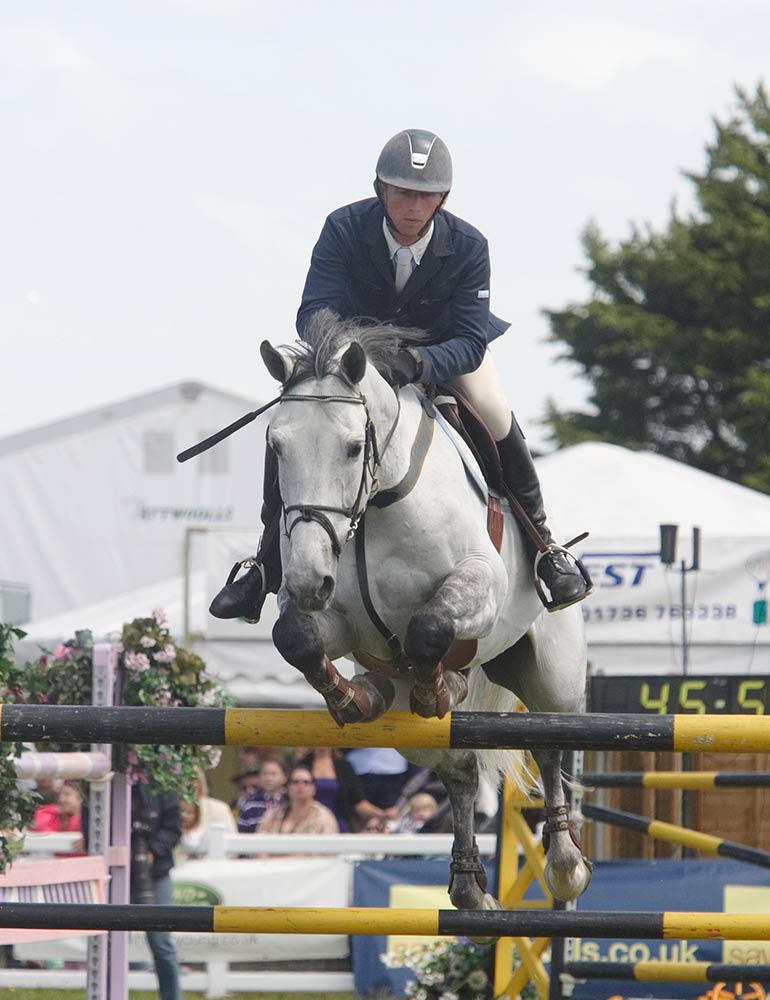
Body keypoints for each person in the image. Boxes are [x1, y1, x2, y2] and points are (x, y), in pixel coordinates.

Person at [209, 127, 589, 624]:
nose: (414, 206)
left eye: (426, 196)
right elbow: (313, 311)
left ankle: (544, 548)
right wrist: (351, 349)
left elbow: (471, 340)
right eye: (404, 192)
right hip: (356, 359)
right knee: (298, 421)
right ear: (381, 191)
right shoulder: (343, 228)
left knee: (494, 409)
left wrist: (418, 364)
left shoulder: (470, 245)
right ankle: (264, 563)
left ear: (442, 199)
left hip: (443, 355)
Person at [131, 784, 182, 1000]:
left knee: (161, 943)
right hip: (117, 870)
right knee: (107, 942)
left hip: (156, 871)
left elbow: (174, 828)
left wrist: (153, 851)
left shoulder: (162, 786)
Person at [295, 747, 389, 832]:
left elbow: (358, 802)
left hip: (340, 826)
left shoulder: (344, 766)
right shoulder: (303, 764)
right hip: (310, 826)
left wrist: (382, 814)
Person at [258, 765, 339, 836]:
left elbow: (327, 850)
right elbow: (260, 844)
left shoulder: (324, 818)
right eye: (295, 782)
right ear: (288, 787)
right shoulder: (273, 815)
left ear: (313, 789)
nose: (300, 786)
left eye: (306, 782)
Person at [176, 771, 236, 860]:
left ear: (201, 784)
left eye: (193, 780)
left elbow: (232, 848)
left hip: (214, 869)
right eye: (182, 781)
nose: (188, 785)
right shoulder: (170, 809)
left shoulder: (219, 808)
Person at [30, 780, 85, 854]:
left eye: (67, 794)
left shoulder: (88, 822)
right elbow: (41, 832)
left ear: (80, 798)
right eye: (60, 795)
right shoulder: (50, 814)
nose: (61, 799)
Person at [237, 756, 288, 833]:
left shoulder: (290, 801)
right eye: (265, 774)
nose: (268, 778)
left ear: (285, 777)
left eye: (273, 774)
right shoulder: (250, 805)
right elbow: (241, 834)